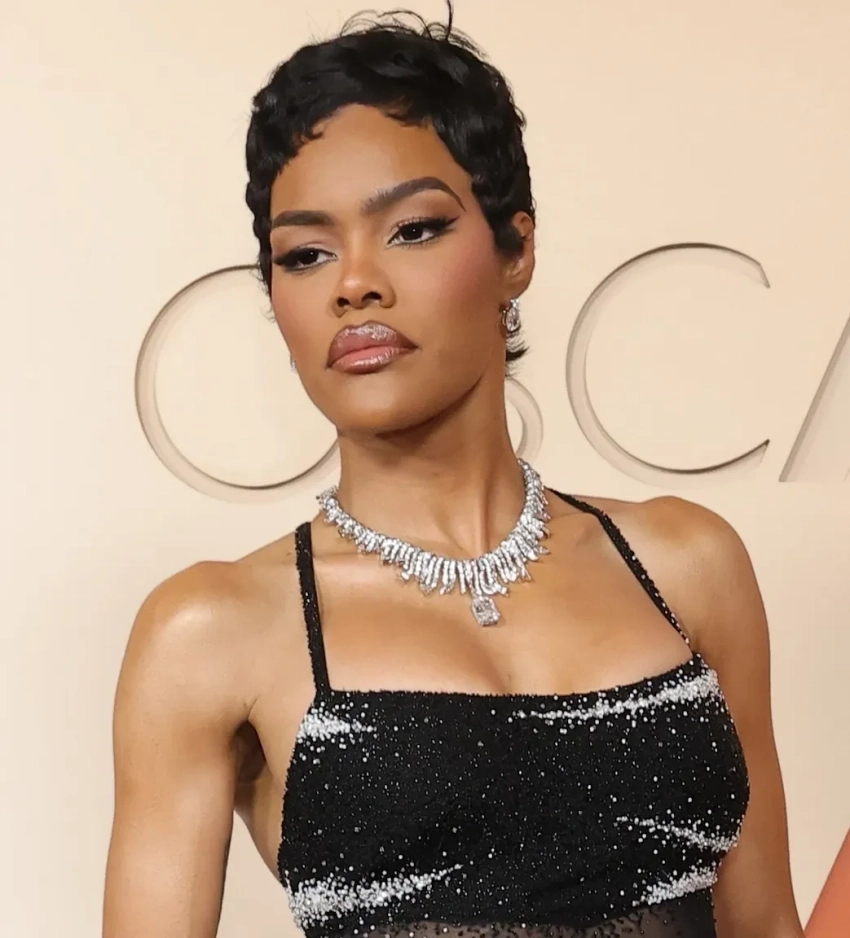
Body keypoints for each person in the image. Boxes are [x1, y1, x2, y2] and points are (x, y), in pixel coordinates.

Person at [103, 5, 805, 937]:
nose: (354, 283)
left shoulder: (689, 564)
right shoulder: (209, 631)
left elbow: (767, 925)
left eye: (413, 229)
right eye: (305, 254)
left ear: (516, 249)